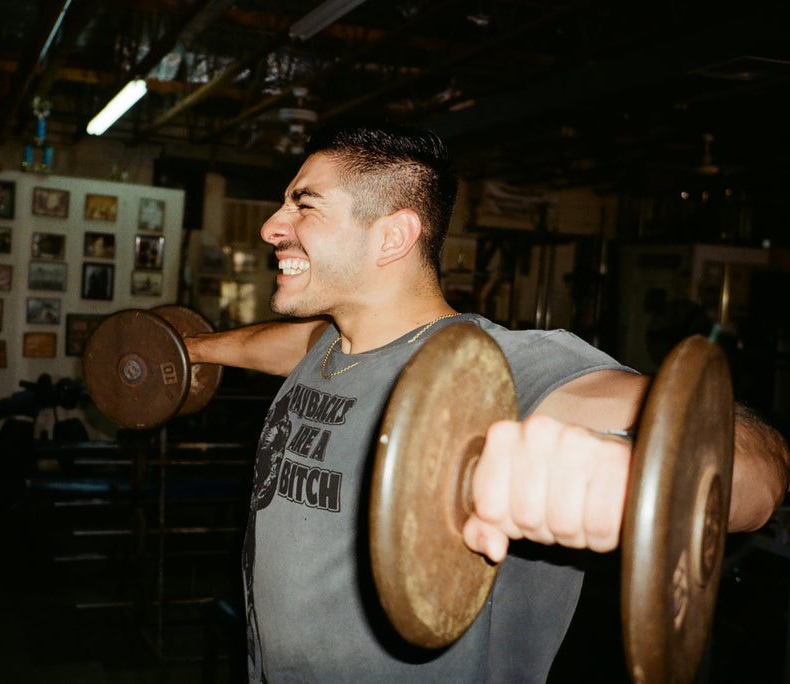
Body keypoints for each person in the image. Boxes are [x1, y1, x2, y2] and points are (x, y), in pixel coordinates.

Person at [184, 123, 789, 682]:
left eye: (303, 204)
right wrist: (191, 351)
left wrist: (634, 479)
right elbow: (280, 345)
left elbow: (759, 471)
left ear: (392, 237)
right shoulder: (332, 341)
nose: (271, 225)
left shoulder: (499, 369)